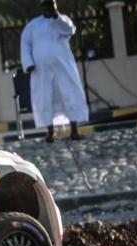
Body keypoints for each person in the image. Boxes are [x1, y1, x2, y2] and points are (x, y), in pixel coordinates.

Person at [20, 0, 89, 142]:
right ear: (41, 7)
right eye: (45, 5)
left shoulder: (61, 21)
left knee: (69, 95)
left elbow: (70, 29)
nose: (48, 9)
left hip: (62, 68)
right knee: (45, 99)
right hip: (41, 71)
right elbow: (25, 44)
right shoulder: (33, 26)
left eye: (50, 5)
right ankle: (50, 132)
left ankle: (74, 130)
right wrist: (28, 63)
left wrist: (56, 15)